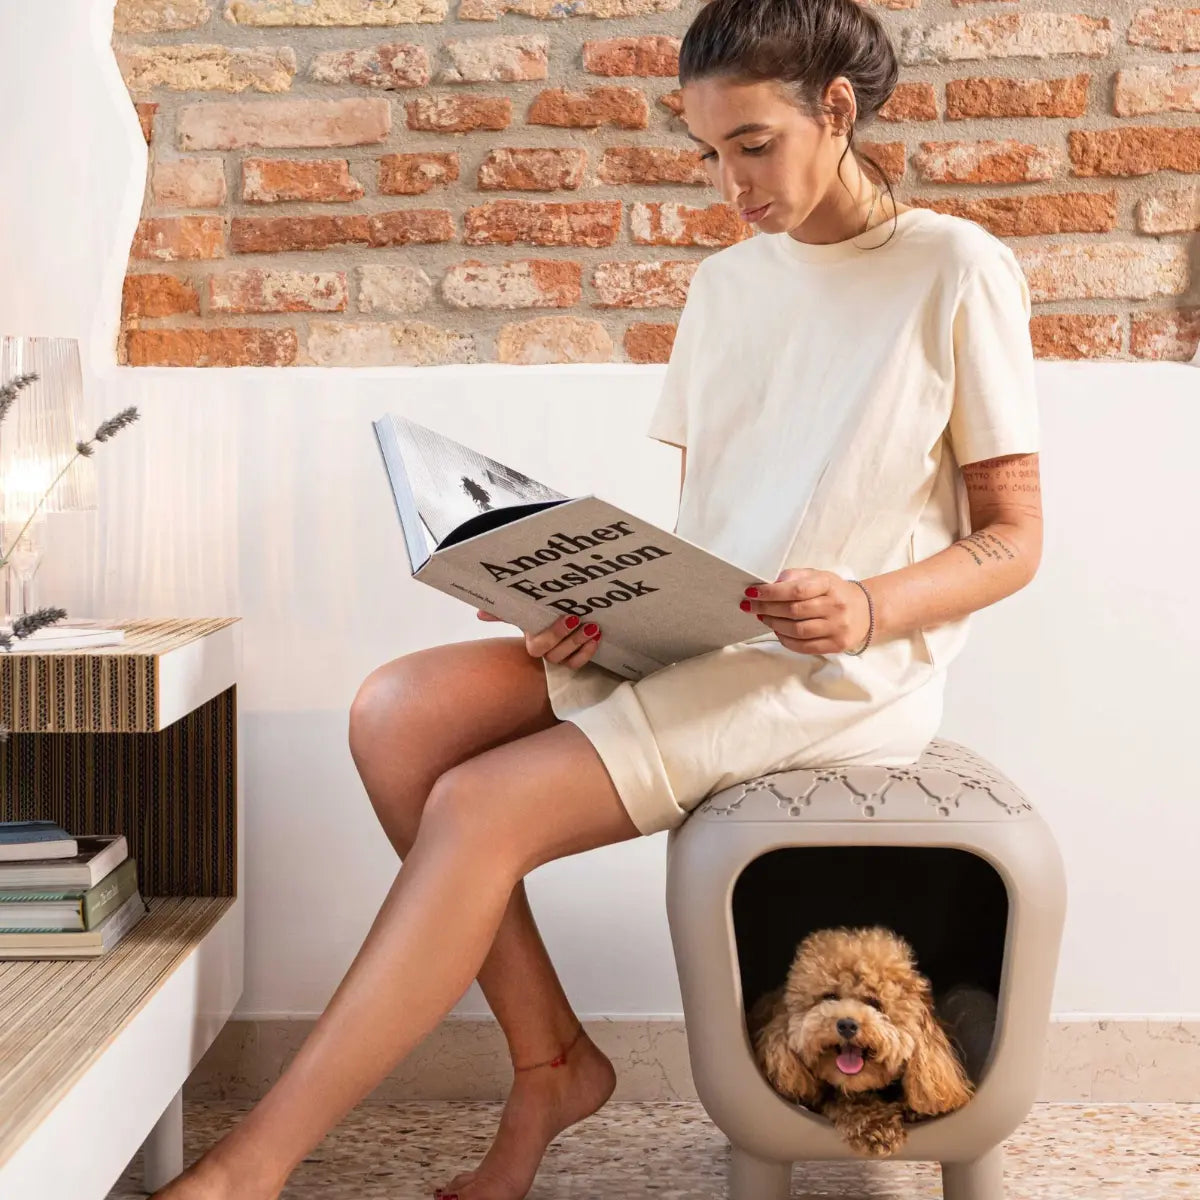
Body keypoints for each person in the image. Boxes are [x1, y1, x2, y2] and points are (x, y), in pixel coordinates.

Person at [150, 0, 1042, 1197]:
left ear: (837, 110)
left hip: (834, 672)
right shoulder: (727, 288)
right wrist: (590, 604)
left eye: (754, 145)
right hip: (712, 635)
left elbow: (1013, 540)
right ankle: (553, 1062)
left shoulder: (956, 269)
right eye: (709, 152)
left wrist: (871, 606)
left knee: (477, 806)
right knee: (397, 715)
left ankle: (249, 1168)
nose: (731, 184)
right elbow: (712, 525)